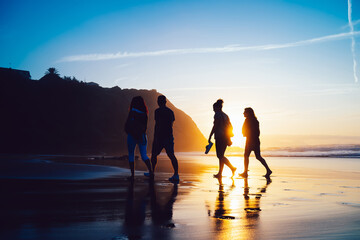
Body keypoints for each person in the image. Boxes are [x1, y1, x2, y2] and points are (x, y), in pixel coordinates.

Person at [151, 95, 179, 182]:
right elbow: (171, 124)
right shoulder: (171, 112)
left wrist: (155, 136)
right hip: (169, 136)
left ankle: (152, 172)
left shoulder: (157, 111)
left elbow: (157, 124)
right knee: (171, 155)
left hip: (160, 137)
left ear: (159, 102)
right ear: (165, 102)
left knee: (154, 155)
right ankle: (176, 174)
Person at [124, 96, 153, 180]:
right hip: (142, 135)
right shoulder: (145, 113)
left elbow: (128, 123)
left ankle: (132, 175)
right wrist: (140, 133)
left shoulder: (132, 111)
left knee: (131, 154)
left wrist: (129, 131)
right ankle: (151, 172)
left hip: (132, 135)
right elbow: (145, 127)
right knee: (144, 155)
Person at [238, 107, 272, 178]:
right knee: (258, 156)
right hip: (256, 140)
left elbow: (245, 130)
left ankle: (245, 172)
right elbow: (257, 132)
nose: (243, 113)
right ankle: (268, 170)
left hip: (250, 140)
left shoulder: (248, 120)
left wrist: (246, 134)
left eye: (245, 112)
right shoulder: (255, 120)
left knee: (246, 156)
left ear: (248, 113)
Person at [208, 99, 237, 178]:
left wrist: (210, 135)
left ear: (217, 107)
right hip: (225, 137)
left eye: (214, 108)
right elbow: (230, 127)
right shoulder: (225, 115)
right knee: (221, 155)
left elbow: (215, 126)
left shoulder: (217, 114)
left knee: (220, 156)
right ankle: (220, 173)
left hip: (219, 136)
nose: (213, 109)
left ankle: (232, 168)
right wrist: (229, 137)